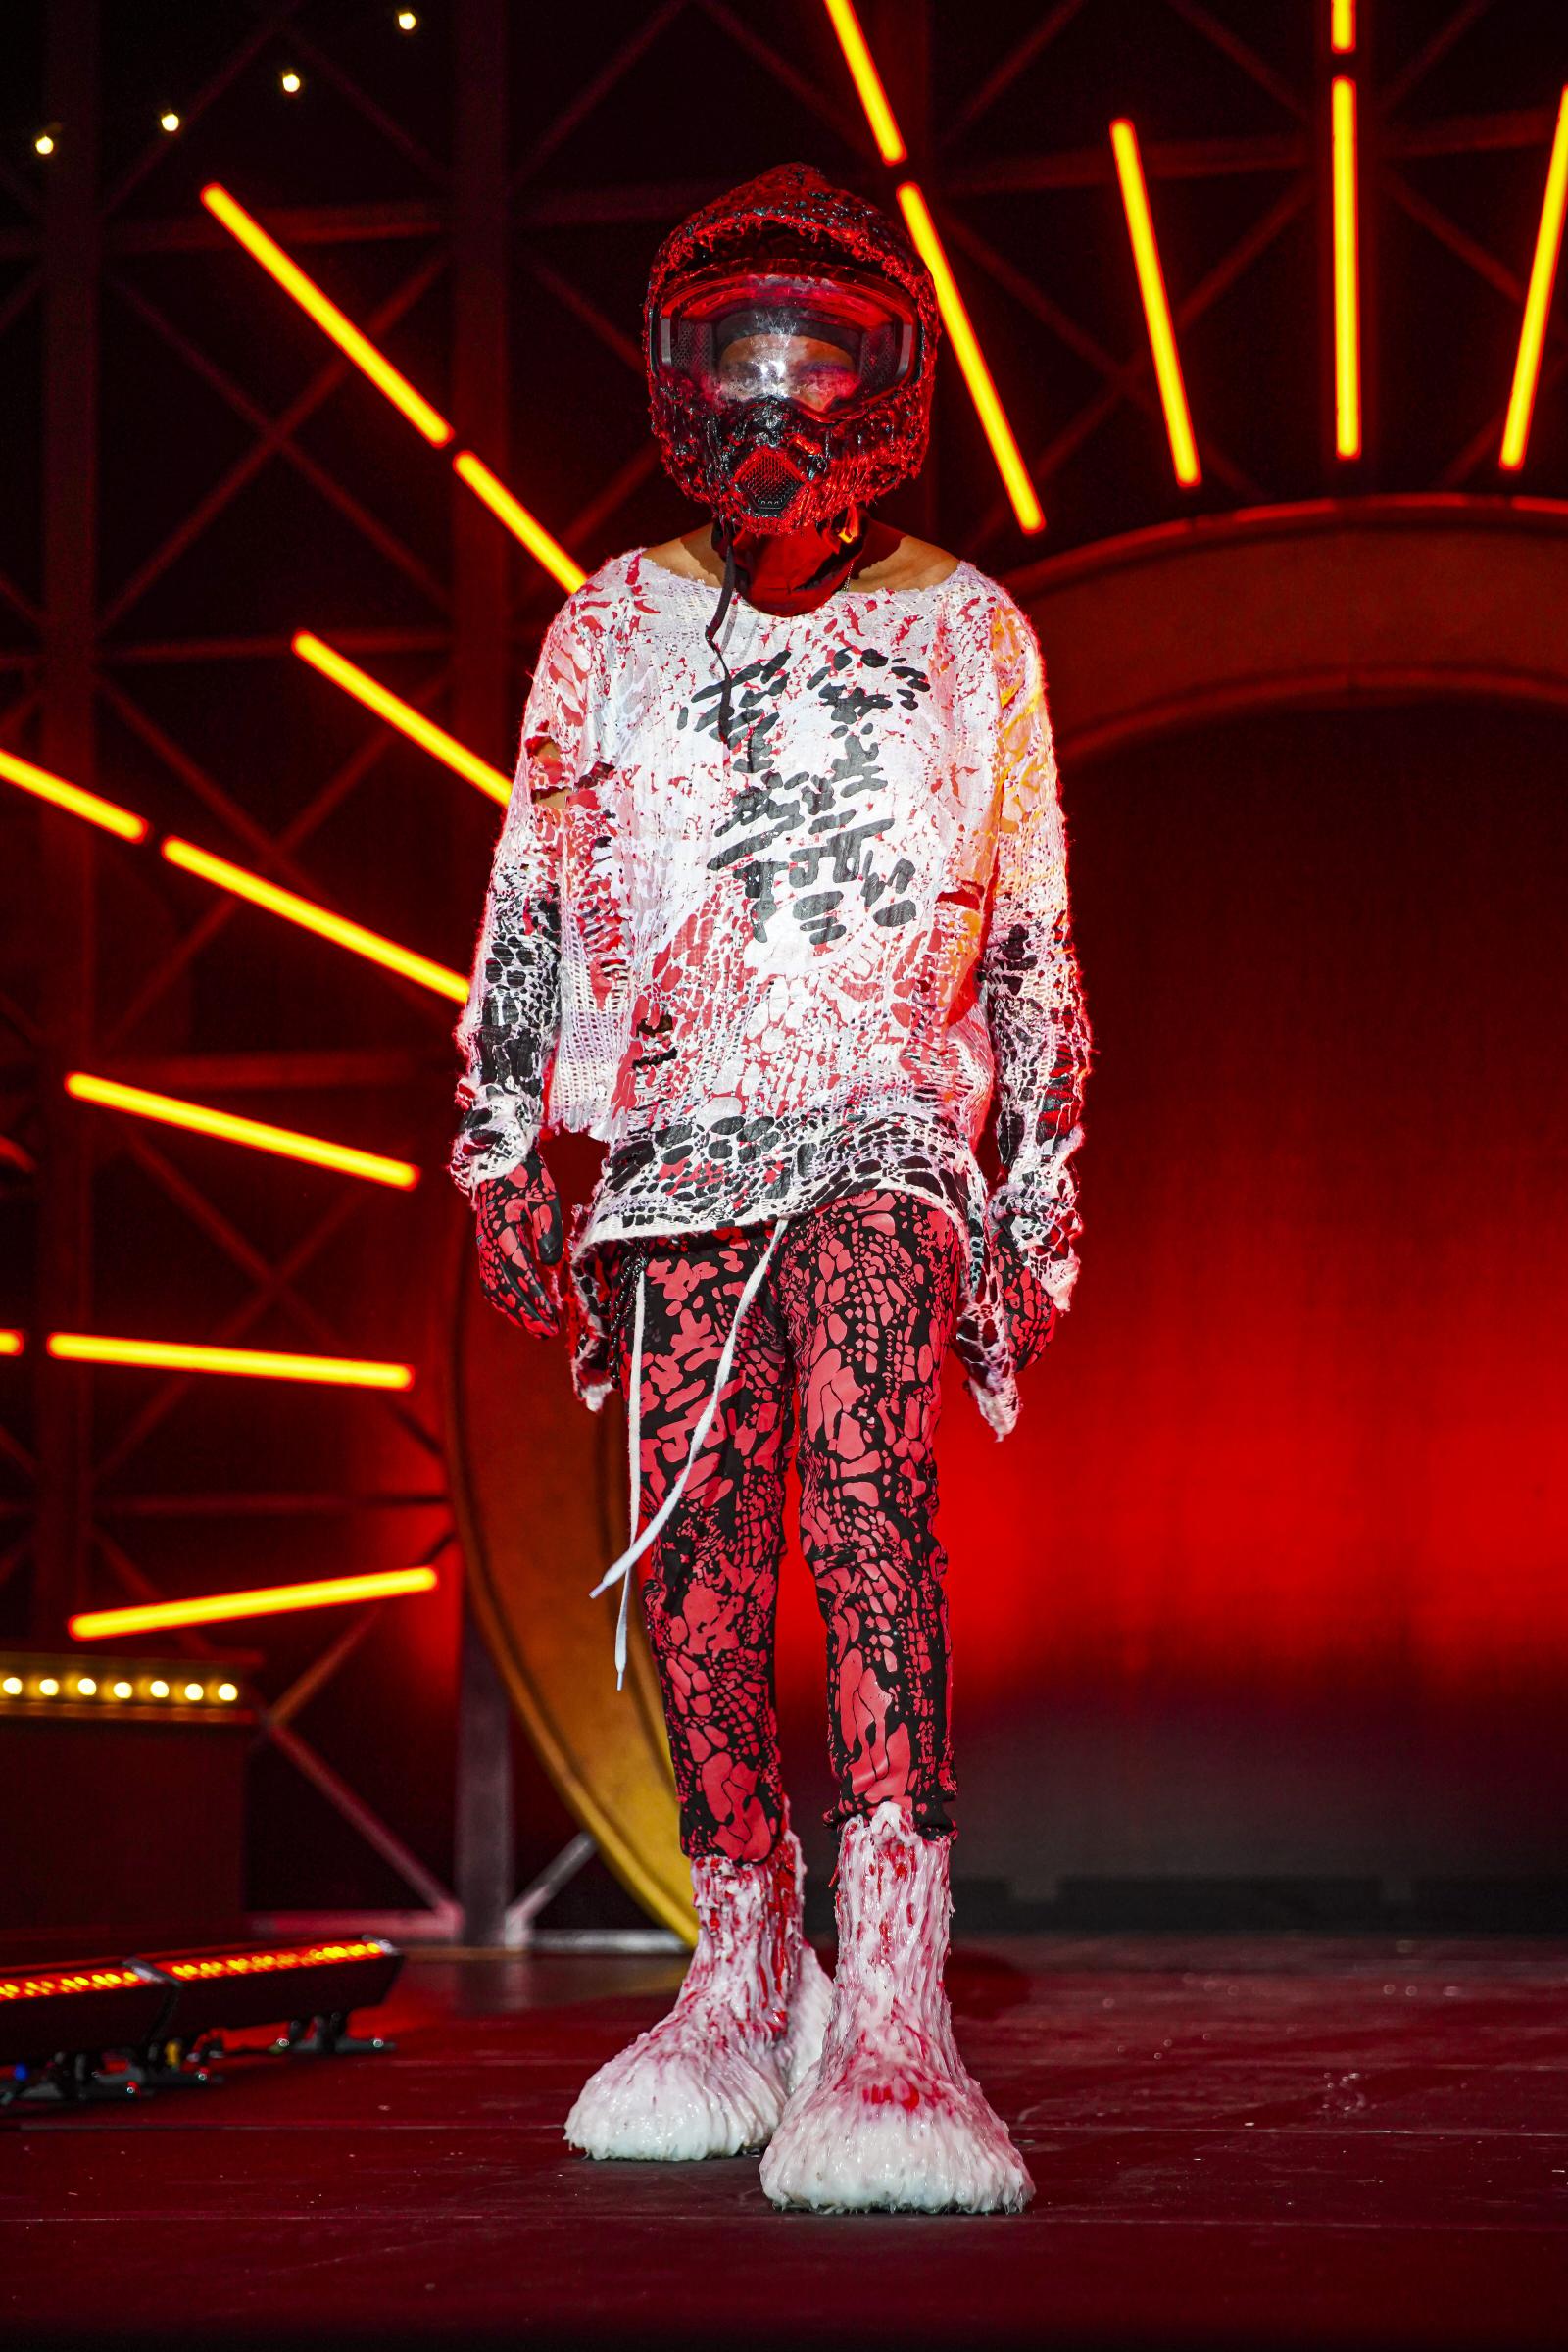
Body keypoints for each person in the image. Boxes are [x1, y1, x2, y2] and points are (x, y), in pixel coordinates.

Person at [450, 164, 1091, 2214]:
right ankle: (742, 1957)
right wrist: (501, 1141)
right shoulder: (611, 625)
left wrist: (1034, 1187)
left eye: (815, 372)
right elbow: (535, 901)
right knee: (701, 1575)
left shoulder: (965, 630)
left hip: (881, 1133)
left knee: (865, 1493)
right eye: (733, 372)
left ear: (889, 387)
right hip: (669, 1156)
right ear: (671, 384)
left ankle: (892, 1988)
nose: (772, 417)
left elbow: (1035, 936)